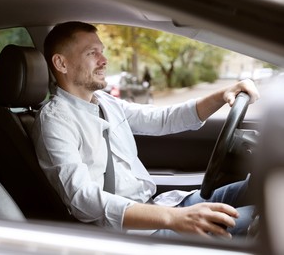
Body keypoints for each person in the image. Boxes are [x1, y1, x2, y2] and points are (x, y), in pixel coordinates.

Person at [32, 21, 260, 238]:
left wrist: (222, 95)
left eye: (101, 51)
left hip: (160, 207)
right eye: (92, 53)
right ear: (61, 63)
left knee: (262, 185)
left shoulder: (104, 102)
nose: (104, 60)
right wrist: (173, 218)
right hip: (132, 233)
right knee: (269, 221)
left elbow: (162, 119)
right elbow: (83, 200)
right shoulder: (54, 122)